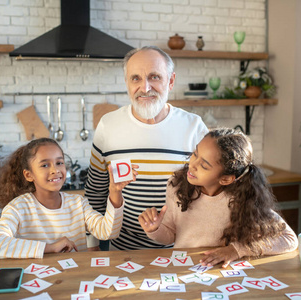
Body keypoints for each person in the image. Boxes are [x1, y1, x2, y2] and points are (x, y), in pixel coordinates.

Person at [85, 46, 209, 250]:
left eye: (154, 77)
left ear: (170, 80)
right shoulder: (108, 125)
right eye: (135, 78)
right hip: (124, 250)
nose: (145, 87)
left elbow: (213, 192)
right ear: (126, 82)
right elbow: (95, 192)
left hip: (183, 248)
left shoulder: (194, 127)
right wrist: (92, 244)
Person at [138, 128, 298, 267]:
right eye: (195, 154)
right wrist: (155, 229)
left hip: (223, 272)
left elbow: (289, 239)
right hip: (183, 268)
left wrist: (236, 250)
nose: (192, 164)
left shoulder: (244, 199)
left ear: (226, 179)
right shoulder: (177, 185)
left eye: (204, 165)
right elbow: (170, 236)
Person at [0, 138, 137, 259]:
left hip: (73, 280)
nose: (55, 170)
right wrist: (50, 248)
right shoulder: (18, 208)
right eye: (45, 165)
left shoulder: (78, 203)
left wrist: (115, 192)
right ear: (28, 175)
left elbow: (108, 232)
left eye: (59, 163)